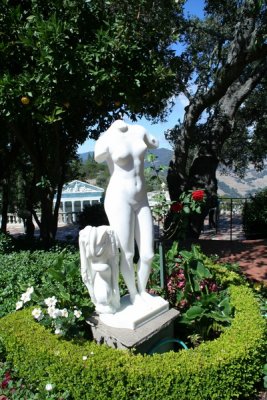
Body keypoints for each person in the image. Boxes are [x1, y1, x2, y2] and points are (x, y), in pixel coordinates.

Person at [94, 119, 158, 306]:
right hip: (119, 199)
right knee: (128, 253)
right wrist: (106, 138)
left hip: (141, 198)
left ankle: (143, 290)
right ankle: (133, 293)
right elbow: (98, 156)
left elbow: (155, 143)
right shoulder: (106, 138)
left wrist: (146, 134)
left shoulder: (138, 130)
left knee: (148, 254)